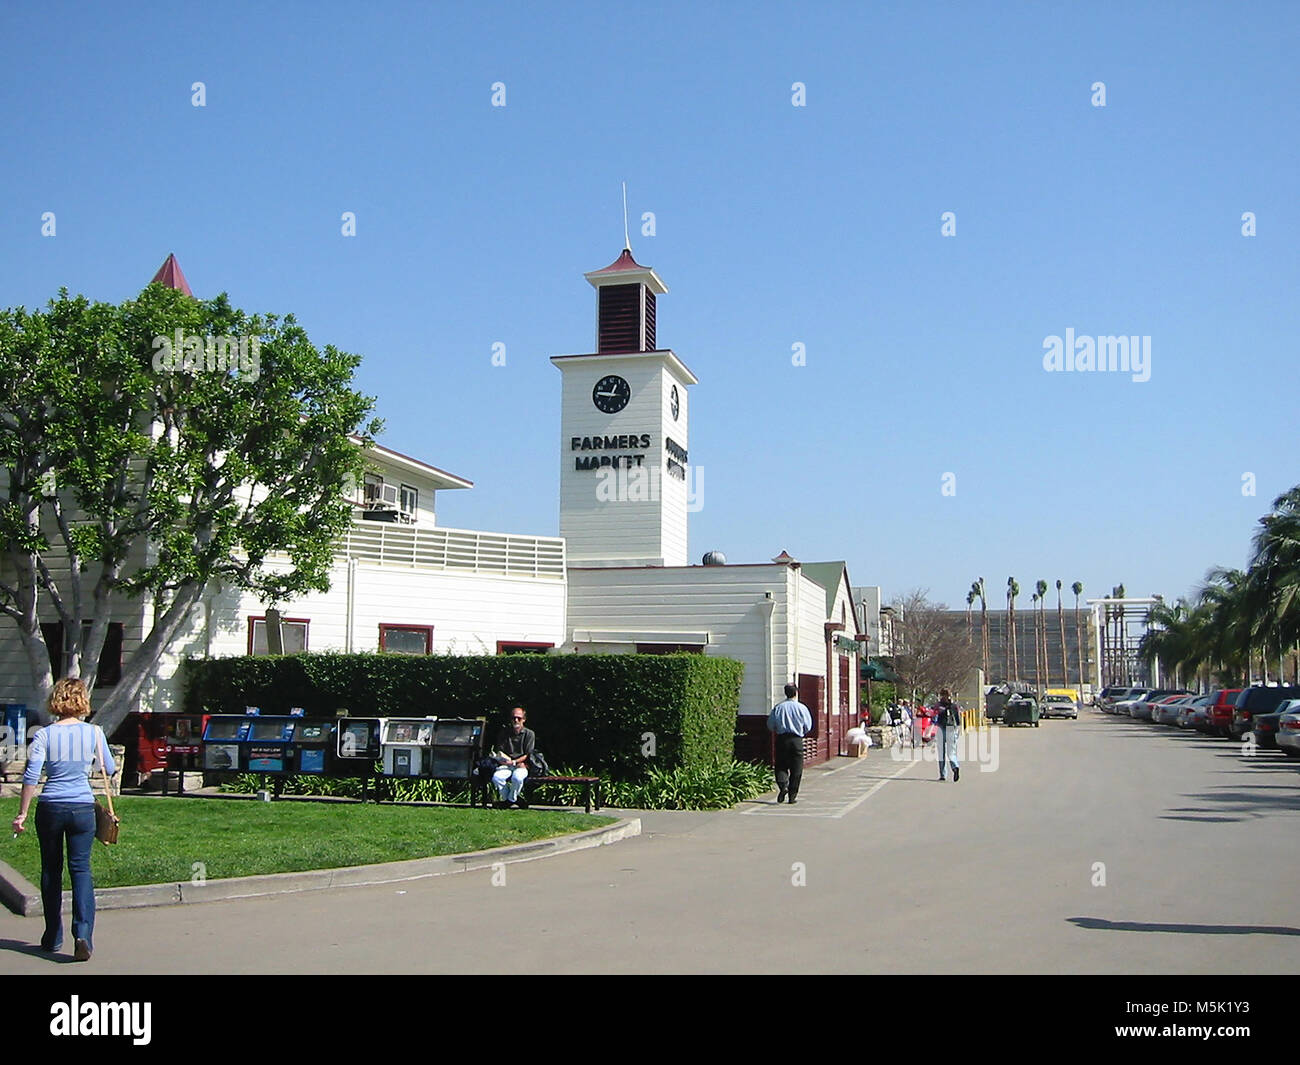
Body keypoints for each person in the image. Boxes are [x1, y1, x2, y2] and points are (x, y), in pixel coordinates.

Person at [10, 678, 116, 961]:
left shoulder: (45, 735)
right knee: (81, 870)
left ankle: (52, 935)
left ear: (56, 700)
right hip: (82, 807)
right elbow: (110, 767)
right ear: (82, 701)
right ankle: (82, 935)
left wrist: (21, 813)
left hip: (51, 807)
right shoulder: (94, 733)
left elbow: (31, 776)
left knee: (51, 870)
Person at [767, 682, 812, 804]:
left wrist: (778, 729)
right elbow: (808, 726)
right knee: (797, 768)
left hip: (782, 738)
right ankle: (792, 795)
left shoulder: (778, 708)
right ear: (796, 693)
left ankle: (783, 786)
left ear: (785, 693)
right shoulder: (802, 708)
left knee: (781, 765)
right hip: (797, 739)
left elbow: (770, 725)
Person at [489, 706, 535, 808]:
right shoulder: (504, 733)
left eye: (519, 718)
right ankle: (513, 799)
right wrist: (501, 759)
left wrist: (515, 762)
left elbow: (528, 754)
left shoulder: (529, 734)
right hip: (506, 764)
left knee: (517, 778)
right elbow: (500, 751)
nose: (516, 720)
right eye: (513, 718)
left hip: (522, 765)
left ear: (524, 719)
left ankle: (508, 802)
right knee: (497, 778)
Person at [935, 687, 961, 782]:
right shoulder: (953, 706)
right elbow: (958, 720)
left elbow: (935, 715)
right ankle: (955, 767)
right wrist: (957, 730)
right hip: (951, 728)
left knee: (941, 753)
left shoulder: (938, 705)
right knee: (951, 752)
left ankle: (943, 774)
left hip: (942, 728)